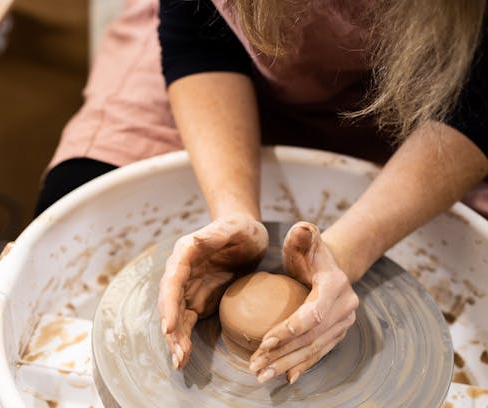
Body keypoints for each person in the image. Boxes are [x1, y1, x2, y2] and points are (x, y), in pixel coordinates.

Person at [37, 0, 488, 385]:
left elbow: (478, 108)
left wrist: (345, 252)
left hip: (425, 95)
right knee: (76, 189)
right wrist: (233, 214)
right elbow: (198, 39)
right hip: (223, 56)